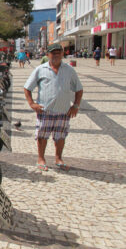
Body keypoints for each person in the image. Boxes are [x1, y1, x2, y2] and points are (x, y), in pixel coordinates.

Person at [24, 43, 83, 172]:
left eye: (58, 52)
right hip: (45, 110)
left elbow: (79, 89)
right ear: (48, 54)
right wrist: (32, 103)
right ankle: (41, 159)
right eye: (53, 52)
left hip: (63, 111)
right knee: (42, 136)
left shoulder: (69, 70)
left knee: (60, 136)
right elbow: (27, 87)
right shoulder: (40, 69)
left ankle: (58, 158)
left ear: (62, 54)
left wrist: (76, 105)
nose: (56, 55)